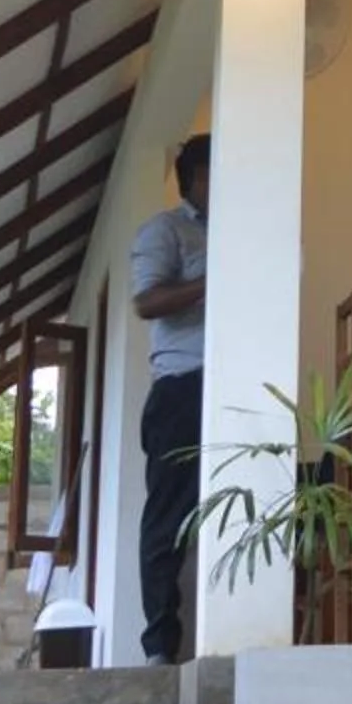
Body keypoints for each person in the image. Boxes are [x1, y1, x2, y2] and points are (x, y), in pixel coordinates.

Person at [131, 134, 211, 664]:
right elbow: (147, 301)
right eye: (216, 175)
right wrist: (212, 279)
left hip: (242, 388)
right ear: (193, 181)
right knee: (168, 520)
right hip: (183, 389)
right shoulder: (166, 230)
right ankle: (161, 647)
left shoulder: (249, 231)